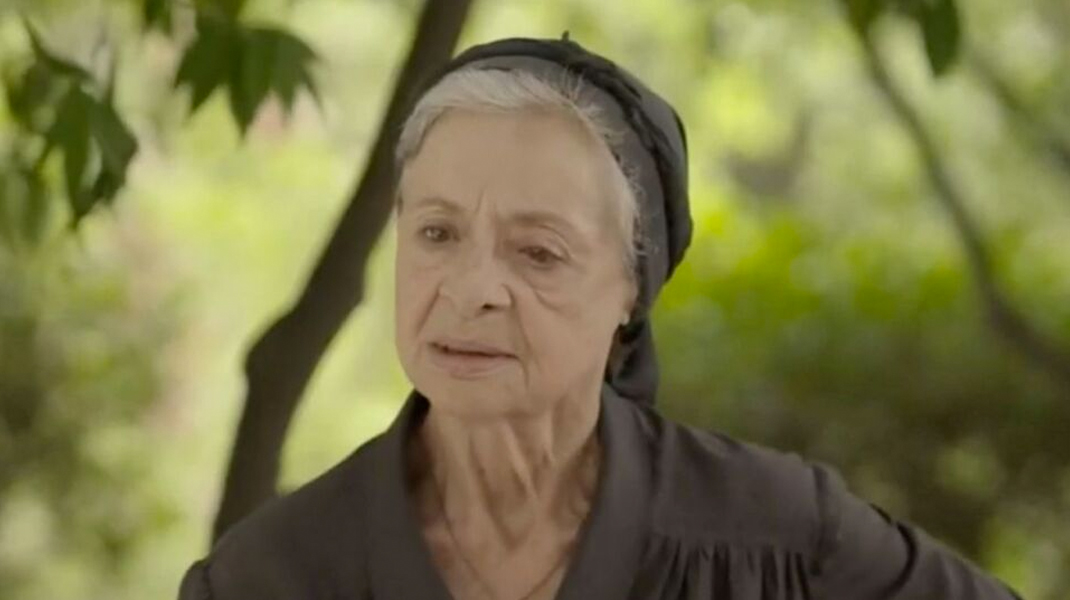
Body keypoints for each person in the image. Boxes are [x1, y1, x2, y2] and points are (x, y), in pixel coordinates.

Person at [177, 35, 1023, 600]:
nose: (471, 289)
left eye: (537, 252)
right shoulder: (266, 579)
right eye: (437, 233)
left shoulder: (776, 539)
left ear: (631, 290)